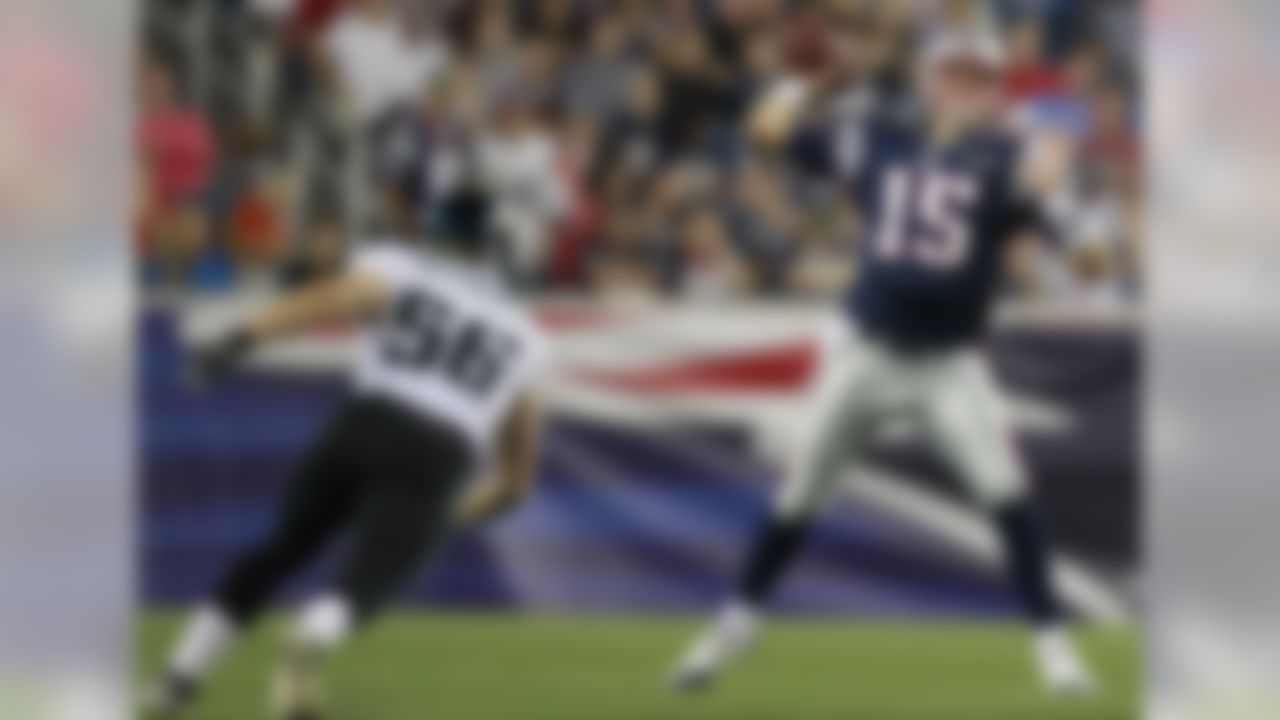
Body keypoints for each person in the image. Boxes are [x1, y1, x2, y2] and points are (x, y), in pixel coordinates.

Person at [668, 30, 1097, 696]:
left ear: (992, 92)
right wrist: (804, 86)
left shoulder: (1006, 156)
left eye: (977, 79)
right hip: (866, 351)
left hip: (948, 362)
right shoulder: (875, 135)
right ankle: (736, 620)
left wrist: (1063, 193)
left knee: (1006, 494)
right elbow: (764, 132)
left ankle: (1053, 645)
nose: (963, 88)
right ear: (929, 79)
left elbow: (1083, 256)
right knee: (799, 492)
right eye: (954, 74)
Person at [145, 188, 549, 719]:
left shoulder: (402, 268)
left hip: (364, 420)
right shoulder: (525, 335)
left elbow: (328, 296)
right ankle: (312, 633)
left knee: (279, 550)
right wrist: (451, 516)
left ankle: (179, 675)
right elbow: (517, 477)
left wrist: (240, 339)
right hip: (440, 448)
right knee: (368, 582)